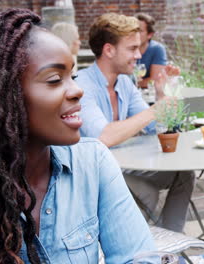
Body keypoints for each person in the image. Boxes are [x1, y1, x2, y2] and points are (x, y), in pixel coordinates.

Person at [0, 8, 155, 264]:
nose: (77, 90)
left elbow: (140, 258)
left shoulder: (92, 162)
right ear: (0, 95)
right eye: (55, 79)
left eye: (73, 76)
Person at [76, 13, 194, 233]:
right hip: (92, 176)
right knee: (146, 192)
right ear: (109, 50)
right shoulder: (83, 86)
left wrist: (161, 94)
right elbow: (104, 137)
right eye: (132, 49)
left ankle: (170, 243)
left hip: (122, 167)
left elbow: (152, 128)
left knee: (184, 174)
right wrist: (155, 110)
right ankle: (136, 245)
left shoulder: (124, 82)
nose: (139, 55)